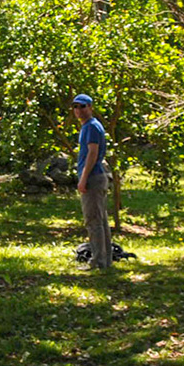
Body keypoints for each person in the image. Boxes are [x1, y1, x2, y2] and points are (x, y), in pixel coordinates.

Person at [72, 93, 114, 271]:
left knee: (93, 221)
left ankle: (98, 261)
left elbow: (92, 153)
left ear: (90, 107)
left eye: (83, 106)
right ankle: (105, 260)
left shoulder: (91, 127)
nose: (79, 110)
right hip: (96, 177)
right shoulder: (89, 126)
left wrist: (83, 179)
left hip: (93, 178)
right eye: (76, 107)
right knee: (100, 220)